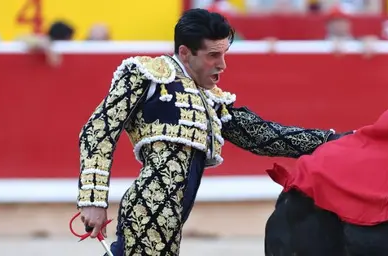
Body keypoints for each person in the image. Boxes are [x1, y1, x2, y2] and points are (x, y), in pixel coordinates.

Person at [75, 8, 351, 255]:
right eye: (213, 56)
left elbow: (258, 134)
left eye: (224, 54)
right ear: (185, 52)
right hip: (149, 208)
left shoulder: (210, 99)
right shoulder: (148, 75)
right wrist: (93, 201)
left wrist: (332, 140)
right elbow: (97, 129)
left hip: (172, 215)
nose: (222, 65)